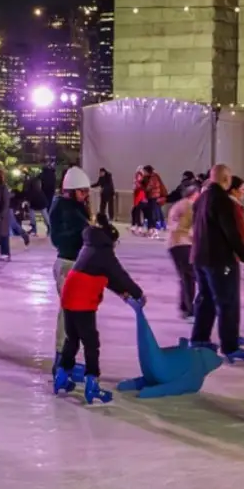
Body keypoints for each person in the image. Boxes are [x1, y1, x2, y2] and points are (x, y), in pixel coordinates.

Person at [55, 215, 145, 405]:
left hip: (69, 298)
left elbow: (107, 277)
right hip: (82, 302)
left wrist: (124, 294)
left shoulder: (89, 246)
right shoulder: (104, 252)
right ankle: (92, 382)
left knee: (72, 338)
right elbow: (119, 275)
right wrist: (138, 293)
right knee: (91, 343)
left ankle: (61, 375)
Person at [192, 165, 244, 362]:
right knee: (227, 301)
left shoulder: (201, 198)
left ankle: (200, 338)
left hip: (199, 257)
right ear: (226, 179)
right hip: (219, 260)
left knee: (206, 298)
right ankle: (230, 346)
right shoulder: (222, 201)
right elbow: (231, 232)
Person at [48, 169, 95, 350]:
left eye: (86, 192)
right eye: (82, 191)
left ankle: (65, 358)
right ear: (71, 191)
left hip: (73, 263)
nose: (85, 196)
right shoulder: (67, 210)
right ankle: (61, 359)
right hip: (68, 265)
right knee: (69, 314)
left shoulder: (72, 208)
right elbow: (60, 238)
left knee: (73, 315)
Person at [166, 185, 199, 319]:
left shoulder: (177, 205)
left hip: (173, 243)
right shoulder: (190, 205)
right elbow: (192, 225)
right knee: (189, 277)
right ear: (194, 194)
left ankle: (184, 306)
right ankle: (190, 309)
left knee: (185, 277)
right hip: (183, 243)